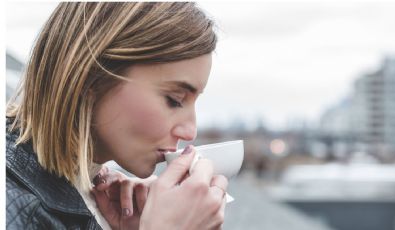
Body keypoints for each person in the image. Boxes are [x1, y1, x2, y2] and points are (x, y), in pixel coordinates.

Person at [6, 2, 228, 230]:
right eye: (175, 99)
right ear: (91, 78)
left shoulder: (94, 195)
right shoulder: (12, 207)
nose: (190, 131)